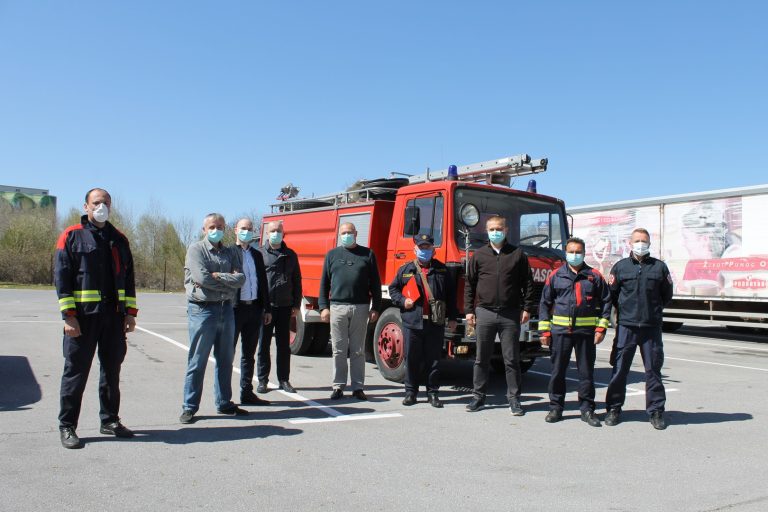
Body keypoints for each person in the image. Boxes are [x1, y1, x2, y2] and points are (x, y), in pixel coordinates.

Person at [55, 188, 138, 449]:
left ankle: (110, 420)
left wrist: (130, 314)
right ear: (86, 206)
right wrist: (69, 316)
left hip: (113, 319)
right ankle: (67, 425)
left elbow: (129, 279)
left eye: (106, 203)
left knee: (111, 372)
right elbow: (62, 279)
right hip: (82, 319)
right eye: (97, 202)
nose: (102, 206)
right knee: (75, 373)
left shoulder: (119, 239)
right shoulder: (71, 236)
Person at [180, 213, 247, 424]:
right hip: (203, 311)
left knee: (226, 359)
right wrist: (227, 281)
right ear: (204, 229)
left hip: (226, 309)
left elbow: (241, 279)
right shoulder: (196, 249)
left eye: (219, 226)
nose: (215, 229)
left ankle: (224, 403)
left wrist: (219, 277)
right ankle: (189, 406)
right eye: (211, 226)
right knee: (197, 361)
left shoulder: (230, 252)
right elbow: (201, 278)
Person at [464, 215, 534, 415]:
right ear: (487, 231)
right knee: (481, 359)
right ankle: (478, 397)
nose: (495, 232)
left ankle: (514, 399)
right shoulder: (478, 255)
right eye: (492, 229)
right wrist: (469, 310)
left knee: (511, 359)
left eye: (499, 228)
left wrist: (527, 308)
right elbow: (470, 284)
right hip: (484, 312)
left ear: (506, 230)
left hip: (510, 315)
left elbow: (527, 283)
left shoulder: (518, 254)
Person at [605, 227, 674, 430]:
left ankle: (656, 411)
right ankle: (614, 408)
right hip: (626, 326)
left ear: (649, 243)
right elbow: (613, 295)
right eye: (637, 240)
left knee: (653, 371)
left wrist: (652, 312)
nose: (640, 244)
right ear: (630, 243)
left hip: (651, 328)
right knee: (619, 370)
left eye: (644, 240)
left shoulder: (660, 268)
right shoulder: (620, 267)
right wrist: (625, 313)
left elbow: (666, 295)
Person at [538, 237, 611, 427]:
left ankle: (587, 410)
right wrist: (544, 331)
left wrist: (601, 328)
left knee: (586, 373)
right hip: (560, 333)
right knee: (557, 372)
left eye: (578, 252)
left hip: (585, 334)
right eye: (571, 251)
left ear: (584, 253)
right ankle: (556, 408)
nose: (575, 255)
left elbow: (606, 302)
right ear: (565, 253)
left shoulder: (594, 276)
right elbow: (544, 304)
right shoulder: (555, 275)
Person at [389, 234, 457, 407]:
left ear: (433, 249)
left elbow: (451, 296)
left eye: (427, 247)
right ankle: (410, 393)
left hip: (435, 322)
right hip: (412, 321)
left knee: (433, 360)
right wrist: (403, 301)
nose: (424, 250)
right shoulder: (405, 270)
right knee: (411, 358)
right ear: (415, 249)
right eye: (421, 247)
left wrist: (453, 318)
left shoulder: (442, 270)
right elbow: (393, 289)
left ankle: (433, 393)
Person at [319, 222, 381, 400]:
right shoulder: (332, 255)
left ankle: (358, 387)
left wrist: (375, 307)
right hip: (337, 307)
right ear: (340, 235)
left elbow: (376, 284)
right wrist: (324, 307)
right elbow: (324, 283)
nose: (347, 235)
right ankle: (338, 386)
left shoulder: (367, 254)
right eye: (343, 233)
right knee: (338, 349)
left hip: (360, 308)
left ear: (356, 233)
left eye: (350, 232)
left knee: (358, 350)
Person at [257, 221, 303, 394]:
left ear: (284, 233)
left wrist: (296, 304)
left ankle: (284, 379)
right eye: (272, 231)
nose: (275, 233)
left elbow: (297, 281)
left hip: (285, 307)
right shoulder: (259, 254)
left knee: (284, 346)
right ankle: (262, 380)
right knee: (263, 346)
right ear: (267, 233)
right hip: (266, 308)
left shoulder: (291, 255)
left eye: (279, 230)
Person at [231, 217, 272, 405]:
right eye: (243, 228)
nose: (246, 231)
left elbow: (263, 283)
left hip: (254, 309)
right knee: (227, 354)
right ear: (235, 230)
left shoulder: (256, 255)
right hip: (234, 310)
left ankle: (246, 392)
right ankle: (224, 397)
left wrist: (266, 308)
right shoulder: (229, 253)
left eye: (249, 228)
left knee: (249, 354)